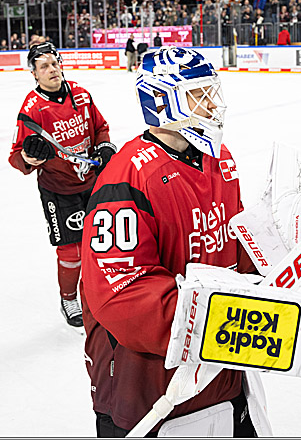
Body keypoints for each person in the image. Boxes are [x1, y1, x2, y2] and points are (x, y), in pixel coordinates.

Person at [81, 47, 261, 436]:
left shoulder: (219, 159)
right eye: (200, 94)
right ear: (163, 101)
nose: (213, 103)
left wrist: (267, 261)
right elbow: (122, 295)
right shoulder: (125, 180)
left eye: (211, 91)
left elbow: (234, 243)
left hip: (220, 374)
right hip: (149, 391)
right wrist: (219, 324)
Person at [8, 41, 116, 328]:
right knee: (71, 251)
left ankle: (99, 292)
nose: (52, 70)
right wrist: (30, 155)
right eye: (44, 66)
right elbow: (17, 158)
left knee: (102, 243)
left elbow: (100, 128)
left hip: (93, 183)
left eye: (54, 64)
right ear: (34, 74)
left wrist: (104, 147)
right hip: (58, 190)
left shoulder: (81, 94)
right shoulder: (32, 110)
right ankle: (69, 298)